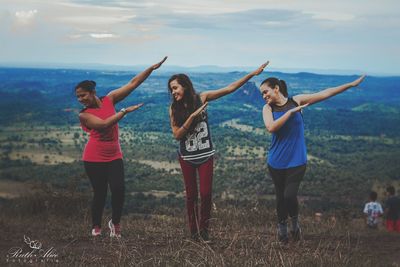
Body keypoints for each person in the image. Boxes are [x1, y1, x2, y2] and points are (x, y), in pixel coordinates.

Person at [168, 61, 269, 242]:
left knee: (206, 195)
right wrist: (191, 118)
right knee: (191, 196)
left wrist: (252, 74)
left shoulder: (203, 98)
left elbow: (229, 89)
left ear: (185, 85)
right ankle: (194, 233)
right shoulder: (174, 108)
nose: (173, 92)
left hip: (206, 155)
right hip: (186, 157)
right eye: (171, 90)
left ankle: (204, 232)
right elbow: (176, 135)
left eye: (175, 87)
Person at [260, 74, 365, 244]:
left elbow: (325, 93)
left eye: (266, 92)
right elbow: (271, 127)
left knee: (289, 195)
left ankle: (294, 225)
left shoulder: (297, 101)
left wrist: (350, 84)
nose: (265, 97)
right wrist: (290, 113)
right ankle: (282, 232)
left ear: (276, 88)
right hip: (276, 162)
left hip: (297, 161)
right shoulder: (268, 109)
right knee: (280, 197)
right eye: (262, 94)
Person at [76, 56, 167, 237]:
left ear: (93, 92)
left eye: (83, 95)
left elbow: (133, 83)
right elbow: (103, 125)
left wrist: (151, 68)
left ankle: (115, 223)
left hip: (114, 154)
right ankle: (96, 227)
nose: (80, 99)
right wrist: (124, 111)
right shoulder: (84, 115)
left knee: (118, 189)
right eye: (78, 97)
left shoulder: (110, 99)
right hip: (94, 157)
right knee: (100, 193)